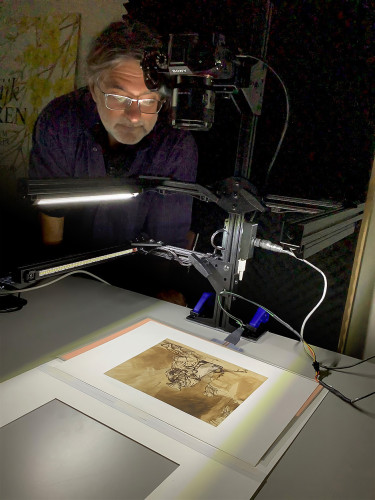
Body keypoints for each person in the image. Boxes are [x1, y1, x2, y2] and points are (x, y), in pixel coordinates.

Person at [29, 20, 198, 252]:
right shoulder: (60, 122)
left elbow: (166, 246)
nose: (135, 116)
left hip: (136, 274)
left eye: (148, 100)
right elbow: (51, 215)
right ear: (93, 89)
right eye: (119, 98)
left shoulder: (176, 146)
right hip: (67, 263)